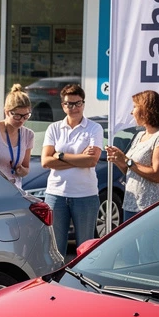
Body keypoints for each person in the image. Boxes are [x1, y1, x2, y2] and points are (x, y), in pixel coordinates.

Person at [41, 84, 103, 255]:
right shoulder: (53, 128)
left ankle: (81, 282)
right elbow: (45, 161)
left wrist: (60, 155)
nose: (74, 108)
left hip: (85, 195)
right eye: (69, 104)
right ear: (63, 105)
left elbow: (92, 160)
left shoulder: (94, 128)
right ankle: (57, 281)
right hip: (56, 195)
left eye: (78, 103)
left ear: (83, 104)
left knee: (85, 248)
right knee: (55, 249)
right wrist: (79, 158)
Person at [104, 90, 159, 222]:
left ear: (146, 110)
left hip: (151, 208)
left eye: (135, 107)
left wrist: (127, 160)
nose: (132, 112)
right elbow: (131, 172)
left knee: (149, 244)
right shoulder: (140, 135)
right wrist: (118, 160)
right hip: (131, 205)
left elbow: (157, 175)